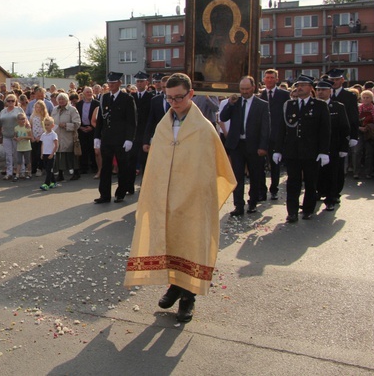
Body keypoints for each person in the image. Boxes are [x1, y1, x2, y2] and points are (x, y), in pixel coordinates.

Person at [124, 73, 236, 323]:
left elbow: (218, 168)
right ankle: (174, 287)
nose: (174, 102)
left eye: (179, 97)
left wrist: (203, 196)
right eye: (169, 97)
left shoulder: (204, 128)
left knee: (191, 246)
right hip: (166, 198)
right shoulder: (163, 126)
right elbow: (156, 164)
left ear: (191, 94)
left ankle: (188, 299)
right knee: (171, 243)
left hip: (193, 201)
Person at [274, 75, 331, 222]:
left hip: (311, 151)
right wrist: (278, 149)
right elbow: (281, 128)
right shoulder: (289, 105)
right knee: (293, 182)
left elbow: (325, 131)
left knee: (310, 182)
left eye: (303, 85)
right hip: (292, 151)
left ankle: (307, 209)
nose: (299, 88)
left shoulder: (319, 105)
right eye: (297, 85)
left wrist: (324, 151)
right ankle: (292, 211)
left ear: (311, 88)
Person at [219, 76, 270, 216]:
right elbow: (223, 118)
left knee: (254, 175)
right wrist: (229, 103)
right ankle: (238, 206)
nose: (244, 92)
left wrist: (263, 146)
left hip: (253, 145)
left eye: (247, 89)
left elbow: (265, 128)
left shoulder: (262, 105)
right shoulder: (235, 102)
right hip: (237, 145)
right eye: (242, 89)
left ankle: (252, 203)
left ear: (253, 88)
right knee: (237, 177)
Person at [94, 72, 136, 204]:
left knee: (122, 167)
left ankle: (120, 193)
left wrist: (129, 139)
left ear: (119, 83)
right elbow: (100, 119)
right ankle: (104, 195)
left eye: (113, 83)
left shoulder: (127, 98)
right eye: (109, 83)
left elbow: (131, 121)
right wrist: (97, 137)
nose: (111, 85)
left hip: (121, 139)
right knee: (105, 167)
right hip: (107, 138)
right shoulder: (104, 98)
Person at [315, 79, 350, 210]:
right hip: (315, 147)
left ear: (330, 91)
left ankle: (330, 199)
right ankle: (317, 192)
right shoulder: (313, 105)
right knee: (316, 173)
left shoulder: (338, 107)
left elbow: (345, 128)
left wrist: (344, 147)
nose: (320, 92)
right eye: (318, 90)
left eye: (323, 90)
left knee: (332, 173)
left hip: (333, 146)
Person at [260, 69, 291, 200]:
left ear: (277, 79)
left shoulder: (284, 95)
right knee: (259, 164)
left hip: (276, 134)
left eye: (272, 77)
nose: (269, 80)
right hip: (262, 134)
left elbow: (287, 114)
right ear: (264, 79)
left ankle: (274, 189)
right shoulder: (259, 94)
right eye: (267, 77)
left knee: (275, 163)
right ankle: (261, 189)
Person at [50, 92, 81, 182]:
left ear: (67, 100)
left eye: (63, 99)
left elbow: (77, 123)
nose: (61, 101)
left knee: (71, 155)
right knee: (59, 155)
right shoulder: (55, 110)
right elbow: (52, 121)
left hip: (69, 136)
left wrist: (66, 125)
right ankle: (60, 174)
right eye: (59, 99)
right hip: (58, 136)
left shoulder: (72, 110)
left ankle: (76, 173)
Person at [0, 93, 22, 181]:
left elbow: (25, 122)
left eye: (13, 100)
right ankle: (9, 173)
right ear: (6, 102)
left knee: (16, 154)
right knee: (8, 155)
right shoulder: (2, 111)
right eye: (9, 101)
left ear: (15, 101)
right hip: (6, 135)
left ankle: (18, 171)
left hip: (16, 136)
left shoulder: (19, 109)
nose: (11, 102)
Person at [75, 87, 99, 176]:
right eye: (87, 92)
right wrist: (80, 127)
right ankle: (83, 167)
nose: (89, 93)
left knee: (93, 148)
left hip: (93, 128)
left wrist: (92, 127)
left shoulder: (97, 104)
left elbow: (99, 119)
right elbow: (77, 117)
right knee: (83, 148)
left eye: (90, 92)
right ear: (84, 94)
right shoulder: (79, 104)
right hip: (81, 128)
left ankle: (94, 167)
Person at [356, 90, 374, 178]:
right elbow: (354, 120)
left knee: (369, 153)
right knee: (357, 151)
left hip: (369, 133)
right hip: (359, 131)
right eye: (364, 97)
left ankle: (367, 172)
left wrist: (369, 127)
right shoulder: (358, 108)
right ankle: (356, 172)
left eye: (367, 97)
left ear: (371, 99)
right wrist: (360, 127)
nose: (365, 99)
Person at [29, 99, 49, 177]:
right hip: (34, 137)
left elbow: (45, 128)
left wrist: (40, 137)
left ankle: (40, 168)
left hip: (42, 137)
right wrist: (32, 136)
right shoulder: (32, 116)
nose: (38, 109)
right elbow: (30, 127)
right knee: (33, 154)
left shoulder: (44, 116)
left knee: (39, 153)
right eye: (36, 107)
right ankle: (33, 168)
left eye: (39, 107)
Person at [39, 116, 58, 190]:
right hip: (45, 154)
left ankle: (46, 183)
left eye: (48, 125)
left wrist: (52, 153)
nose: (46, 126)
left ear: (52, 126)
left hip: (51, 154)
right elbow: (42, 144)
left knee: (49, 169)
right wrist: (42, 153)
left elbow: (56, 145)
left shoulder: (53, 134)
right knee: (47, 169)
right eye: (45, 125)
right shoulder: (43, 135)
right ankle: (54, 182)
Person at [14, 112, 32, 179]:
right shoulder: (16, 128)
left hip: (27, 147)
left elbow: (31, 137)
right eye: (21, 119)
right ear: (18, 120)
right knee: (19, 161)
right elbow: (15, 136)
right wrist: (16, 138)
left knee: (27, 161)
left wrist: (23, 137)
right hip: (19, 147)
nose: (23, 120)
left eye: (24, 119)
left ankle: (29, 173)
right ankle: (17, 174)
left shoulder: (27, 127)